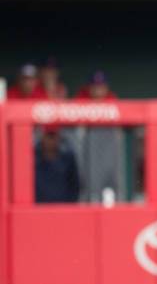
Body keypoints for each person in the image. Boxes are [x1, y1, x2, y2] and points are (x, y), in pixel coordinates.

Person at [74, 71, 124, 202]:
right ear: (89, 87)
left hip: (108, 148)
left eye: (101, 86)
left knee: (112, 185)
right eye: (95, 86)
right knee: (89, 185)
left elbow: (119, 131)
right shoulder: (82, 99)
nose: (98, 90)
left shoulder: (112, 99)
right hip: (88, 149)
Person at [35, 126, 80, 203]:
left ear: (58, 137)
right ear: (42, 137)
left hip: (62, 208)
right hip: (38, 209)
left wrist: (70, 204)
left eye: (53, 135)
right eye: (49, 135)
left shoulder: (68, 158)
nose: (51, 141)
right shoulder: (33, 158)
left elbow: (75, 185)